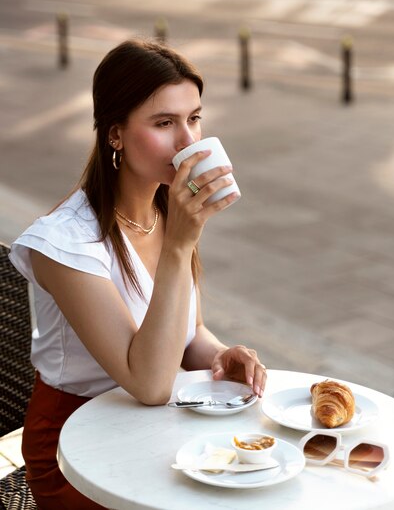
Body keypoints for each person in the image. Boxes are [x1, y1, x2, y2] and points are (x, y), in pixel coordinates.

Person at [9, 38, 267, 510]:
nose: (188, 141)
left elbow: (187, 333)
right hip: (75, 449)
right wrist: (181, 244)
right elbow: (149, 384)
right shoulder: (65, 243)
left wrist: (218, 353)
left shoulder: (166, 207)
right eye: (164, 123)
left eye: (194, 118)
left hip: (155, 428)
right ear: (115, 134)